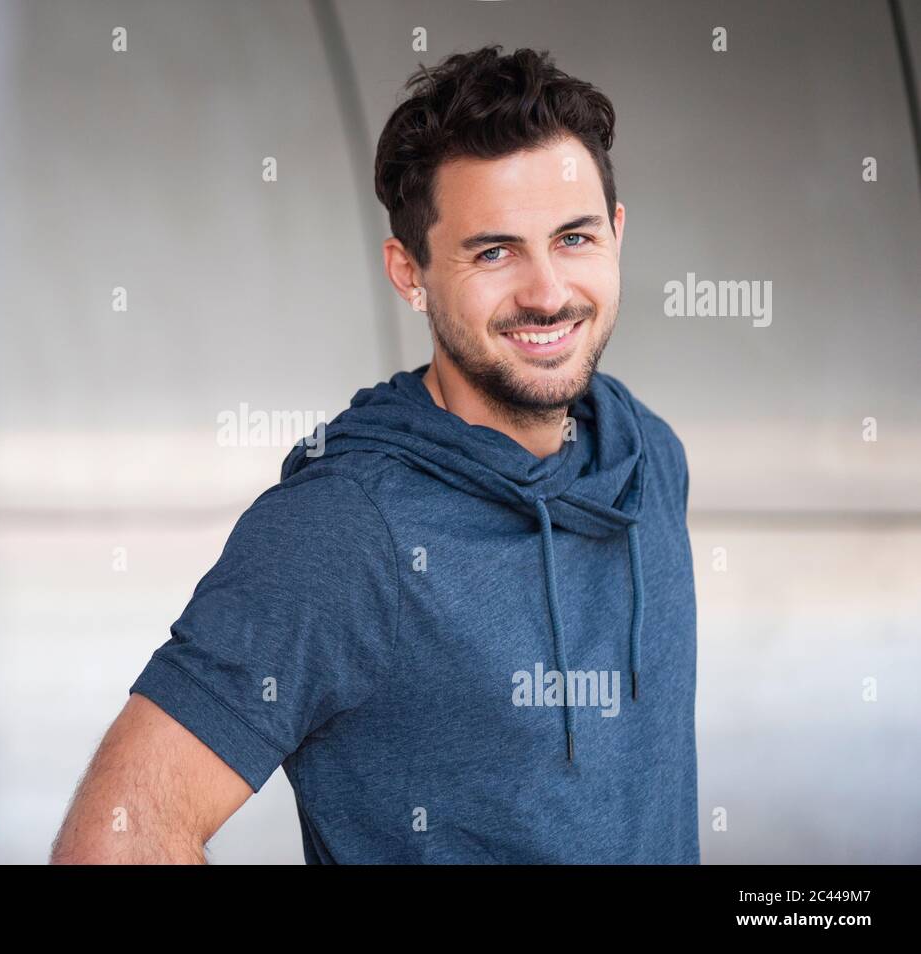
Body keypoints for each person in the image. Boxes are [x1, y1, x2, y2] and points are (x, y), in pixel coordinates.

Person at [50, 44, 698, 864]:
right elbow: (115, 840)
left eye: (573, 238)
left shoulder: (649, 459)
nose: (545, 290)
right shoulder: (345, 533)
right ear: (410, 272)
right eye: (493, 252)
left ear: (617, 233)